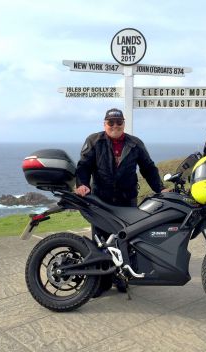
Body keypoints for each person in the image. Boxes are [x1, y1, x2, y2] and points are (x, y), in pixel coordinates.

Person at [75, 108, 165, 296]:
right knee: (100, 241)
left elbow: (148, 168)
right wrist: (82, 184)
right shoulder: (94, 141)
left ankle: (121, 277)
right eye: (111, 122)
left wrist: (160, 189)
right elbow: (83, 166)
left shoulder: (135, 143)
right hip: (101, 200)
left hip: (127, 200)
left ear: (124, 123)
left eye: (119, 122)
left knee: (125, 240)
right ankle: (99, 281)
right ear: (104, 124)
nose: (115, 125)